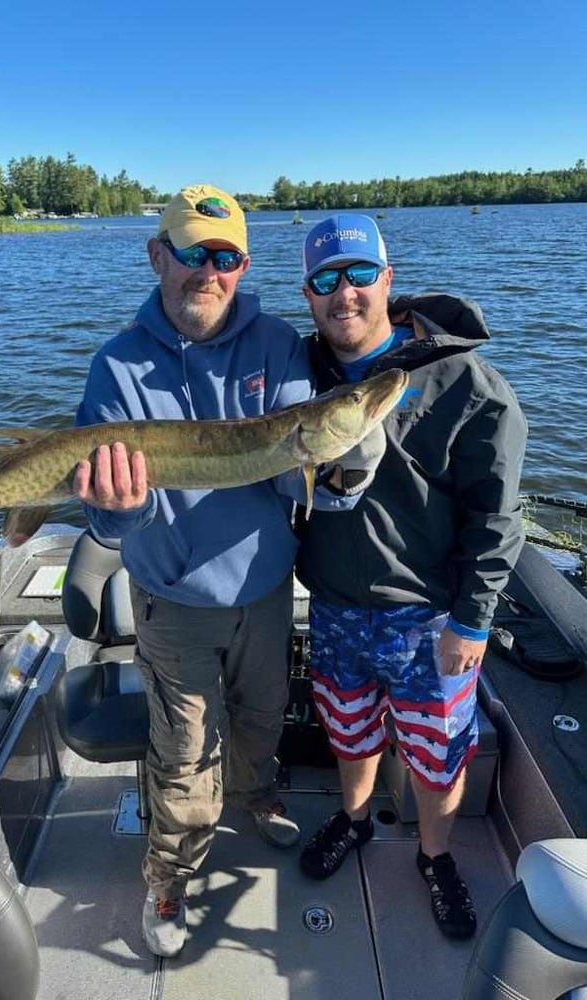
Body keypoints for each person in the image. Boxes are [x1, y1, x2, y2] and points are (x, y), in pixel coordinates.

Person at [72, 186, 383, 958]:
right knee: (183, 755)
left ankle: (256, 793)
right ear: (157, 256)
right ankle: (168, 878)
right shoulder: (118, 365)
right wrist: (116, 508)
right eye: (191, 253)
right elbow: (106, 522)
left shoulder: (278, 344)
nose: (207, 272)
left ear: (242, 267)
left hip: (267, 591)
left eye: (226, 257)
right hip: (173, 600)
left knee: (261, 714)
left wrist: (346, 458)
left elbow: (293, 474)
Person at [295, 213, 527, 939]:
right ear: (308, 294)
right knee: (351, 733)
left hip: (429, 618)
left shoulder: (465, 381)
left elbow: (499, 513)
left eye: (361, 275)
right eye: (327, 281)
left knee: (436, 754)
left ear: (388, 283)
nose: (346, 294)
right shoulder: (300, 373)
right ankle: (356, 819)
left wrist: (473, 617)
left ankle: (434, 856)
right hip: (332, 606)